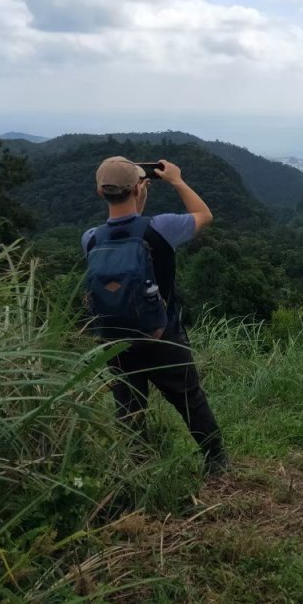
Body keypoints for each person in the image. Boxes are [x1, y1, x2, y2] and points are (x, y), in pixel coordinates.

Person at [82, 156, 228, 476]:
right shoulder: (160, 228)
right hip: (161, 336)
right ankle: (216, 460)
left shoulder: (90, 238)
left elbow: (123, 236)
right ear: (137, 187)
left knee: (129, 409)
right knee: (189, 398)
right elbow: (204, 215)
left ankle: (138, 470)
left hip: (115, 340)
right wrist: (176, 180)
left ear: (99, 192)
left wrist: (137, 202)